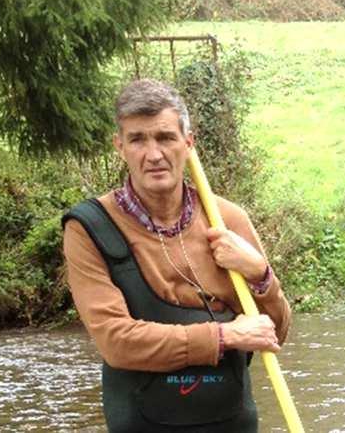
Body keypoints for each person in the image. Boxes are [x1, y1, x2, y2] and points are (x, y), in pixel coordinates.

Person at [62, 78, 291, 432]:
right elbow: (116, 342)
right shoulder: (88, 228)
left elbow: (272, 332)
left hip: (232, 422)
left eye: (166, 137)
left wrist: (262, 276)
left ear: (188, 142)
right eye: (138, 139)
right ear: (119, 146)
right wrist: (225, 336)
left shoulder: (228, 220)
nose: (154, 154)